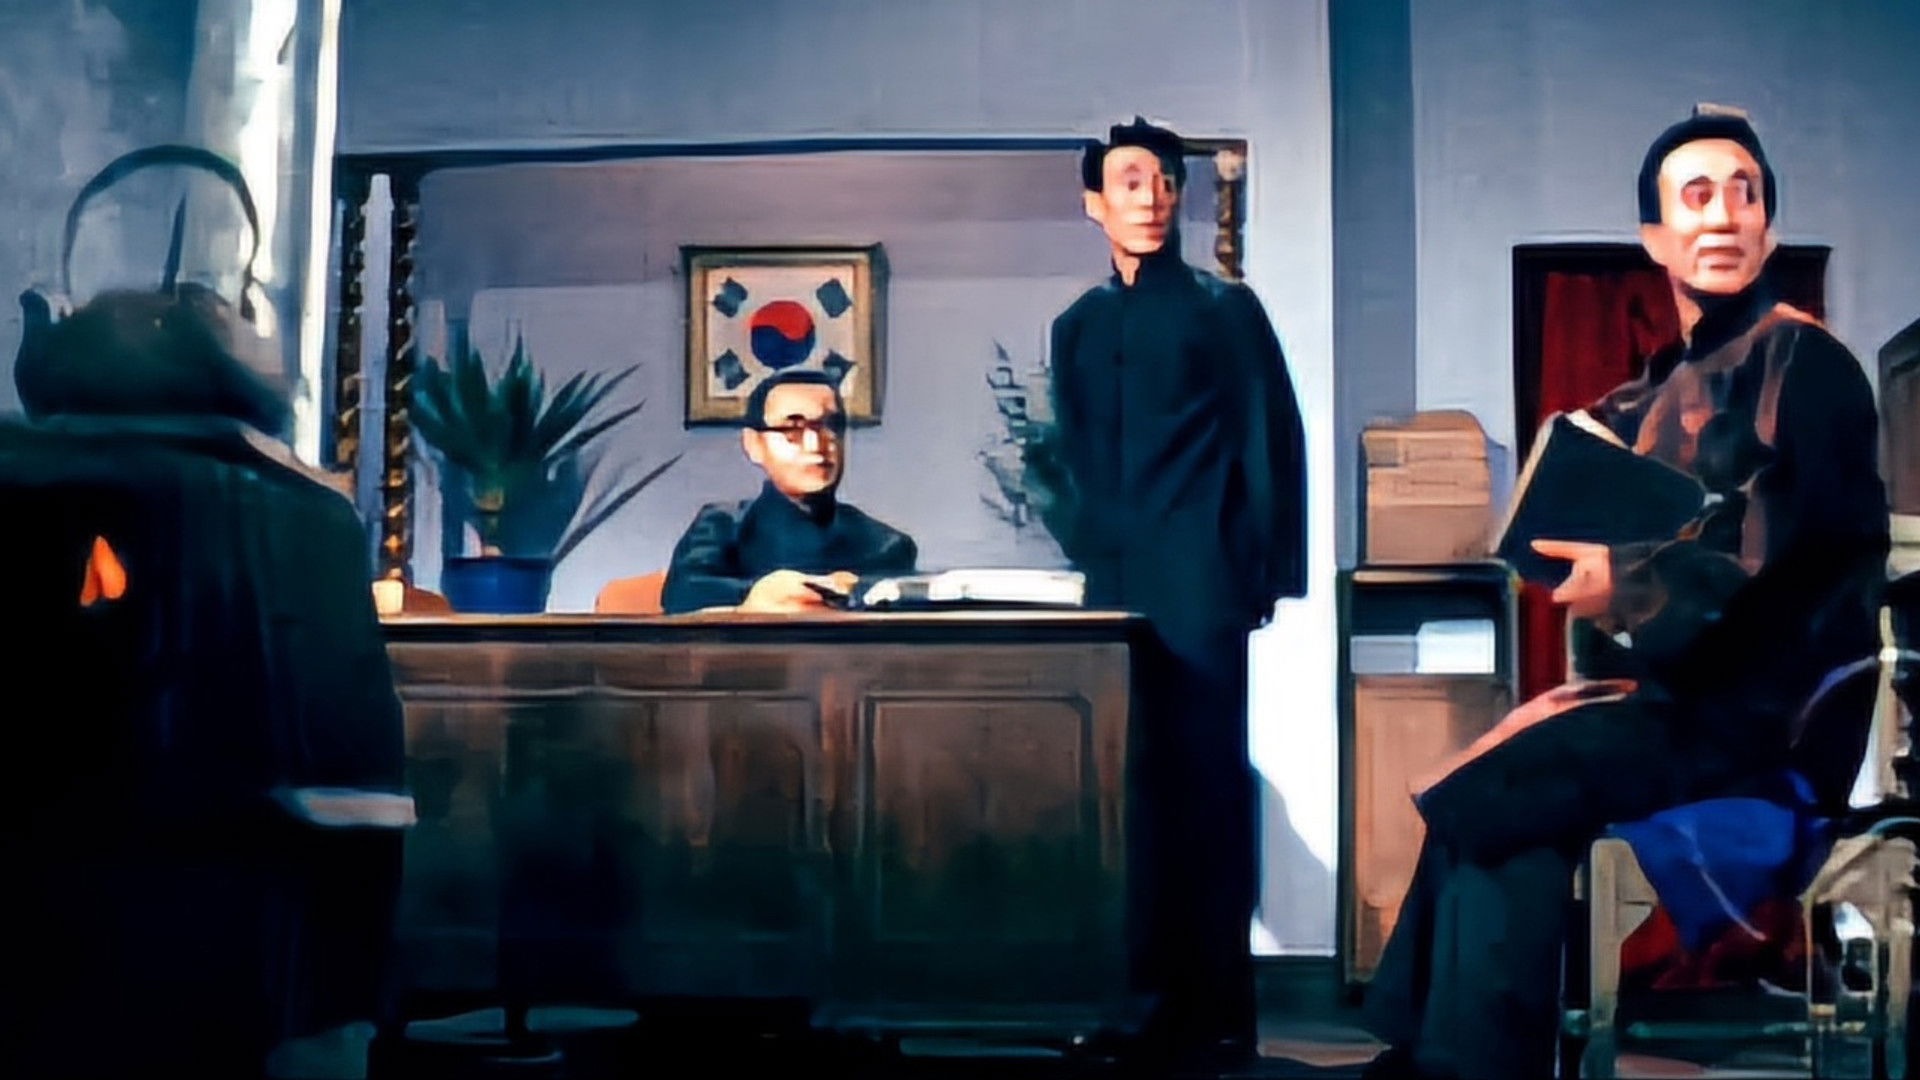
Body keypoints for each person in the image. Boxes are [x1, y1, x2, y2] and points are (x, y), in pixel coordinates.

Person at [1362, 107, 1889, 1079]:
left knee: (1506, 788)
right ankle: (1432, 1052)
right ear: (1655, 236)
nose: (1722, 215)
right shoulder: (1657, 387)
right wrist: (1585, 566)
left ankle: (1452, 1061)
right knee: (1499, 788)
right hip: (1680, 704)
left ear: (1767, 225)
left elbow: (1775, 556)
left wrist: (1630, 580)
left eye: (1744, 195)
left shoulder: (1806, 362)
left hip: (1771, 722)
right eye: (1698, 196)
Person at [4, 281, 408, 1077]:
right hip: (269, 927)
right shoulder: (305, 511)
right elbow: (357, 773)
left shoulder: (38, 482)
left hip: (100, 905)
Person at [1048, 117, 1307, 1062]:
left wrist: (1263, 573)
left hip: (1201, 581)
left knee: (1205, 790)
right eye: (1129, 182)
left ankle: (1217, 1016)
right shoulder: (1077, 326)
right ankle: (1131, 1006)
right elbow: (1070, 455)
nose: (1151, 197)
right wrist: (1085, 549)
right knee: (1123, 792)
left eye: (1163, 180)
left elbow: (1271, 437)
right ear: (1095, 204)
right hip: (1112, 591)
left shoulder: (1224, 308)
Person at [661, 369, 917, 613]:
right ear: (753, 444)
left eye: (830, 425)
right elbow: (684, 593)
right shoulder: (723, 526)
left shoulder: (884, 543)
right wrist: (759, 596)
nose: (816, 444)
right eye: (792, 429)